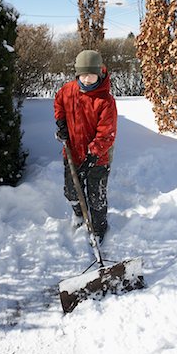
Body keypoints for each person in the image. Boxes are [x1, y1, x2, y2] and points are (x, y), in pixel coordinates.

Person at [54, 50, 117, 244]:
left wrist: (93, 156)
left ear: (99, 73)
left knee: (96, 196)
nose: (87, 79)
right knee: (72, 191)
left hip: (98, 158)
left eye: (91, 74)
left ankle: (98, 228)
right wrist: (61, 124)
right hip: (72, 153)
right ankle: (79, 215)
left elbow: (107, 133)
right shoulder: (68, 90)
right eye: (82, 74)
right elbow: (59, 104)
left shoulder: (105, 101)